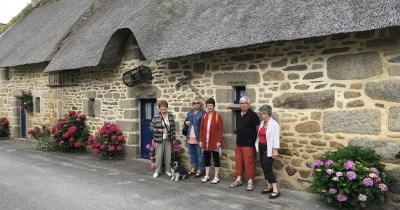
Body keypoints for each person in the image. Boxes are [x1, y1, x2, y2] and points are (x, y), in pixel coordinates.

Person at [230, 96, 260, 191]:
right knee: (239, 162)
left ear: (249, 104)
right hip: (239, 143)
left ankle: (250, 181)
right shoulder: (238, 114)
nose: (243, 105)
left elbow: (258, 129)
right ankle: (238, 179)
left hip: (249, 144)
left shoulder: (253, 115)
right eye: (241, 103)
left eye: (245, 103)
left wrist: (256, 142)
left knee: (249, 163)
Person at [256, 105, 280, 199]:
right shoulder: (262, 123)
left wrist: (275, 150)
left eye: (261, 113)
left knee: (268, 168)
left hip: (269, 149)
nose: (260, 115)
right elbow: (259, 136)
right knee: (263, 167)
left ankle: (275, 190)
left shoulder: (274, 124)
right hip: (261, 148)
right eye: (260, 113)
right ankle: (269, 186)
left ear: (267, 114)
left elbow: (276, 139)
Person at [149, 100, 176, 178]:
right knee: (159, 155)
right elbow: (151, 127)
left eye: (165, 106)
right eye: (161, 107)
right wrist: (157, 130)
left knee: (168, 155)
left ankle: (168, 170)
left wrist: (173, 138)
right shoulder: (156, 116)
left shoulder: (170, 116)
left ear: (167, 107)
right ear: (159, 108)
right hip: (159, 139)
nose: (163, 108)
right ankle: (157, 171)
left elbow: (173, 128)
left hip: (168, 138)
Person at [199, 98, 223, 184]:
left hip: (214, 141)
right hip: (206, 141)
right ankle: (207, 175)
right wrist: (201, 140)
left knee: (216, 158)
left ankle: (216, 176)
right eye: (208, 106)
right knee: (207, 158)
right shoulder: (204, 116)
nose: (209, 107)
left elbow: (220, 129)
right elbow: (201, 129)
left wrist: (219, 141)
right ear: (206, 106)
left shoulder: (217, 115)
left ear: (214, 106)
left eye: (211, 106)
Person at [184, 98, 205, 178]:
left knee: (200, 155)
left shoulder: (203, 113)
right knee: (192, 155)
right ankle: (193, 169)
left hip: (198, 138)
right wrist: (185, 122)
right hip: (190, 137)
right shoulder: (190, 112)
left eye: (197, 103)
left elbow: (204, 127)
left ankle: (200, 170)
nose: (196, 104)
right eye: (194, 103)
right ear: (192, 105)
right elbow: (186, 121)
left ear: (200, 104)